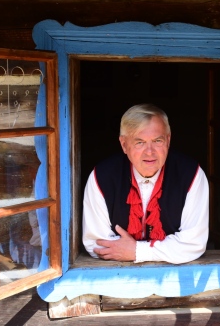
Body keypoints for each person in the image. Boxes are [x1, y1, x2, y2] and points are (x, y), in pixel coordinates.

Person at [82, 103, 209, 264]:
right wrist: (167, 251)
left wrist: (137, 251)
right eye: (139, 142)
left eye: (157, 141)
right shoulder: (102, 176)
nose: (150, 152)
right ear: (124, 145)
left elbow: (193, 244)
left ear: (168, 140)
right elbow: (97, 244)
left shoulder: (191, 174)